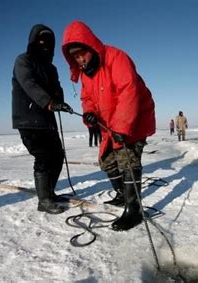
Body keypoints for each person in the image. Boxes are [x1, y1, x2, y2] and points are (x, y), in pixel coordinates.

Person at [62, 20, 156, 231]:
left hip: (133, 120)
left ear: (90, 46)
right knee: (107, 163)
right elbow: (87, 99)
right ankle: (122, 195)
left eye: (81, 52)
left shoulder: (116, 58)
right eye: (74, 56)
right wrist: (90, 116)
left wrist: (123, 128)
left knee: (127, 162)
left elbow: (128, 92)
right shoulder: (86, 75)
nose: (80, 59)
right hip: (109, 124)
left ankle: (134, 210)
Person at [12, 24, 73, 214]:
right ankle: (44, 201)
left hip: (47, 120)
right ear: (33, 41)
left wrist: (60, 101)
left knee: (57, 155)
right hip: (29, 119)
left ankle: (50, 193)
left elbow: (57, 88)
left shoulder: (51, 68)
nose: (44, 45)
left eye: (48, 42)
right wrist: (49, 102)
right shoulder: (23, 60)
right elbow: (29, 84)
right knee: (44, 156)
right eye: (41, 41)